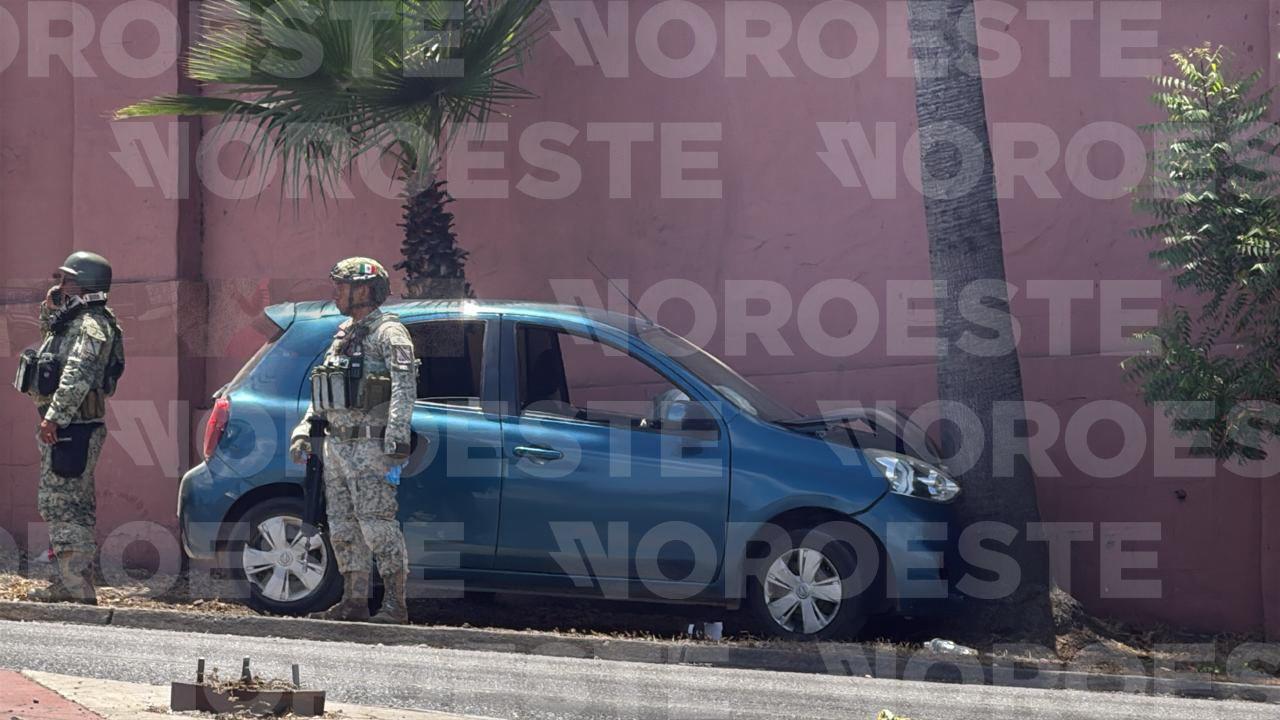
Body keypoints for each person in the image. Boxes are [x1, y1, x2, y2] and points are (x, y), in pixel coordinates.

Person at [288, 258, 417, 624]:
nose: (335, 292)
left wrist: (396, 436)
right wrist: (305, 428)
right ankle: (353, 601)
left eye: (341, 285)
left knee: (377, 524)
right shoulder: (344, 333)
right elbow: (325, 389)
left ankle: (395, 605)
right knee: (343, 526)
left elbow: (405, 388)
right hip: (337, 445)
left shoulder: (389, 334)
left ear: (363, 289)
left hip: (371, 448)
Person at [16, 252, 125, 605]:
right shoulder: (75, 320)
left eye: (68, 281)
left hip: (72, 428)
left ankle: (75, 585)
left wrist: (55, 418)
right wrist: (50, 309)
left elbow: (76, 376)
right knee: (69, 505)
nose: (61, 286)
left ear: (88, 285)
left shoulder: (91, 326)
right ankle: (72, 581)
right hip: (70, 426)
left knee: (61, 505)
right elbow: (52, 344)